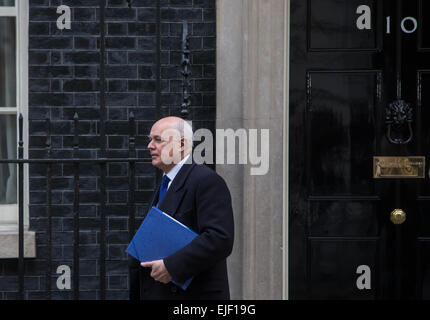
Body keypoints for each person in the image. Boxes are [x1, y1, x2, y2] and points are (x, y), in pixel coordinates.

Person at [128, 116, 235, 300]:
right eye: (150, 139)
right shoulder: (166, 183)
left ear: (181, 144)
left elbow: (220, 238)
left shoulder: (206, 181)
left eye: (158, 139)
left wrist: (171, 266)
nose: (150, 146)